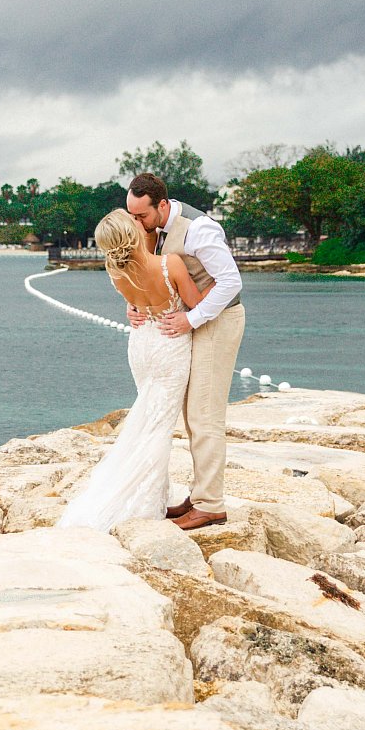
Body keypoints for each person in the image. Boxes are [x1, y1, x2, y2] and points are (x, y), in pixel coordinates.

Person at [57, 208, 212, 532]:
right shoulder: (170, 264)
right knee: (158, 428)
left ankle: (154, 495)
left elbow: (137, 301)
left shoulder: (115, 271)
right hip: (169, 345)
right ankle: (144, 503)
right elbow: (198, 305)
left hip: (141, 346)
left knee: (148, 422)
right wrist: (222, 285)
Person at [123, 172, 244, 531]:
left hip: (218, 322)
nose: (136, 222)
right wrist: (135, 305)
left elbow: (231, 280)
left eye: (141, 216)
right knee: (192, 414)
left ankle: (211, 505)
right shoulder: (150, 227)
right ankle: (199, 493)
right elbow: (153, 277)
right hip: (192, 320)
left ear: (161, 205)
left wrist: (193, 319)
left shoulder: (198, 229)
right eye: (131, 215)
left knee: (205, 415)